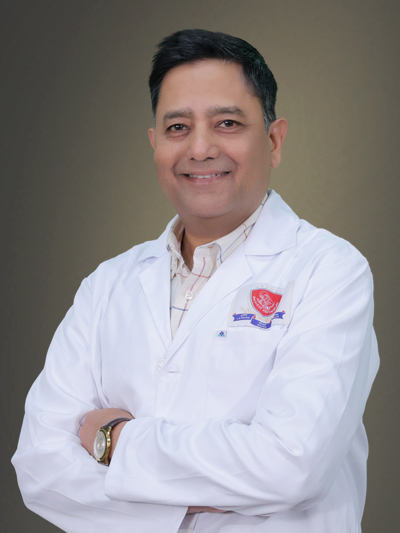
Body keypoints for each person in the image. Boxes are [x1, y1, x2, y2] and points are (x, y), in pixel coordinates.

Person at [12, 29, 379, 533]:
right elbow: (40, 469)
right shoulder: (107, 285)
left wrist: (116, 440)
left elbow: (291, 465)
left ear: (274, 141)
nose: (200, 148)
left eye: (227, 123)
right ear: (155, 143)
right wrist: (206, 502)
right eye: (178, 127)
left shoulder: (329, 270)